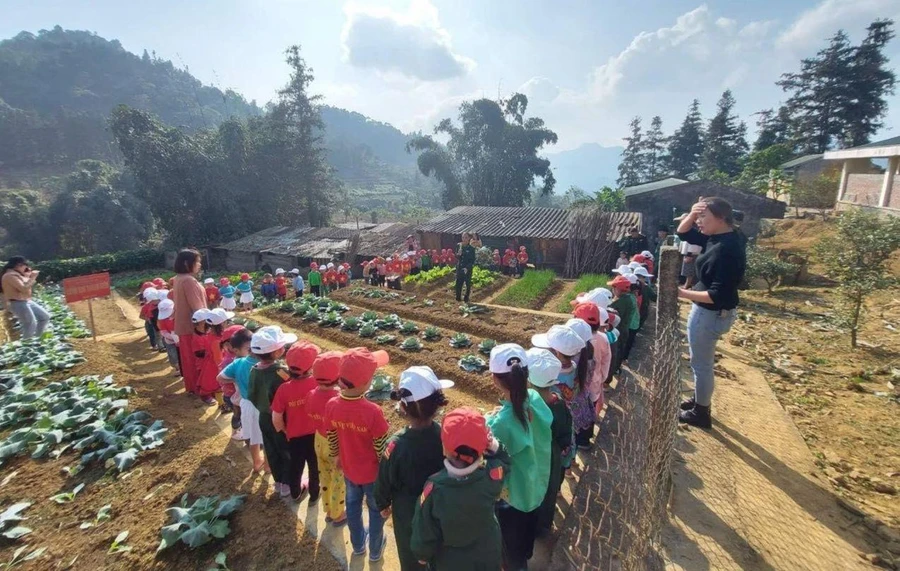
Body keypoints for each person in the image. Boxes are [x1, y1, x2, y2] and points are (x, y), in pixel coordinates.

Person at [410, 407, 510, 570]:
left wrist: (422, 555)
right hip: (488, 553)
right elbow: (505, 460)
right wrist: (493, 445)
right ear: (482, 448)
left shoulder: (434, 490)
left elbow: (424, 532)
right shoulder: (492, 476)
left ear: (445, 448)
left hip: (452, 561)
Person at [676, 197, 746, 429]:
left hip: (711, 313)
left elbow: (717, 294)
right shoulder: (720, 237)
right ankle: (699, 399)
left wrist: (682, 294)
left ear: (720, 218)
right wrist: (693, 213)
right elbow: (683, 232)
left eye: (703, 217)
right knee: (701, 363)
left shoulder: (727, 249)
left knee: (701, 365)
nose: (698, 223)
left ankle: (701, 412)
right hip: (711, 312)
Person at [375, 366, 454, 571]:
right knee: (438, 546)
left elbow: (384, 480)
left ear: (402, 406)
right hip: (439, 504)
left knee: (411, 553)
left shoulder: (396, 445)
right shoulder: (445, 436)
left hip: (407, 511)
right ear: (436, 406)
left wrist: (383, 503)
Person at [486, 343, 552, 570]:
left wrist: (489, 419)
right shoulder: (534, 397)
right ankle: (525, 556)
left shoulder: (501, 423)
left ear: (494, 379)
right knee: (526, 537)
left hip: (513, 497)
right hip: (536, 484)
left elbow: (491, 443)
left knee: (511, 550)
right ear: (526, 373)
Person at [325, 348, 391, 561]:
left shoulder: (332, 405)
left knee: (352, 506)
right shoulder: (372, 412)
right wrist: (386, 472)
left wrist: (336, 455)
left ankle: (358, 545)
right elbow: (381, 447)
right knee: (375, 510)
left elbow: (331, 434)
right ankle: (375, 549)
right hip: (372, 475)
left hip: (349, 470)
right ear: (365, 383)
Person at [246, 326, 298, 496]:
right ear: (277, 352)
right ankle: (290, 483)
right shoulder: (281, 372)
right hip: (280, 419)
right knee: (286, 450)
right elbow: (290, 390)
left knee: (271, 449)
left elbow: (251, 394)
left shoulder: (254, 370)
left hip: (263, 417)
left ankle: (279, 482)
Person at [526, 348, 572, 535]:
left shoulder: (527, 408)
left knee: (532, 490)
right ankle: (543, 527)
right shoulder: (559, 404)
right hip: (552, 456)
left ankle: (530, 527)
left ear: (528, 380)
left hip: (532, 456)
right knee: (549, 490)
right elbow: (565, 437)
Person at [531, 325, 592, 456]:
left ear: (557, 353)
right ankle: (572, 462)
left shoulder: (553, 376)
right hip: (574, 414)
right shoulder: (575, 365)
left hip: (562, 417)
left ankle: (569, 467)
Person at [271, 340, 321, 501]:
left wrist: (284, 430)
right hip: (316, 435)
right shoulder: (316, 384)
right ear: (311, 367)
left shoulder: (284, 389)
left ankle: (295, 493)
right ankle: (314, 494)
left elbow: (276, 417)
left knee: (296, 466)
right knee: (315, 466)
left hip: (294, 436)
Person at [306, 351, 347, 526]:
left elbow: (309, 414)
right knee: (339, 479)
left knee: (325, 476)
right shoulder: (338, 399)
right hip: (334, 445)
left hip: (318, 440)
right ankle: (338, 514)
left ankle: (329, 509)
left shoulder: (311, 394)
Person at [218, 330, 266, 471]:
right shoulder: (264, 363)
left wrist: (236, 379)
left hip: (247, 403)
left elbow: (220, 378)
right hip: (263, 405)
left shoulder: (238, 362)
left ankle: (256, 462)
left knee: (252, 436)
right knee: (267, 438)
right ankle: (268, 466)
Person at [172, 249, 208, 395]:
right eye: (197, 261)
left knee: (188, 360)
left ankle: (192, 387)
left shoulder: (178, 278)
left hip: (183, 326)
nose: (199, 264)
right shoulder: (188, 280)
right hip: (193, 328)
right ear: (187, 263)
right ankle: (200, 389)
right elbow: (198, 308)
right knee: (197, 360)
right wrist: (208, 324)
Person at [573, 302, 611, 420]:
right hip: (594, 385)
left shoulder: (575, 342)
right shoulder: (603, 338)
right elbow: (606, 361)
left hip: (576, 391)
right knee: (590, 412)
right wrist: (601, 379)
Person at [0, 257, 49, 339]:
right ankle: (27, 345)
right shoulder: (9, 276)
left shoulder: (17, 275)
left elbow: (26, 286)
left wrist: (28, 276)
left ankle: (37, 339)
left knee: (44, 317)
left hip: (26, 301)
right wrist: (33, 277)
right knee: (30, 324)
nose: (26, 269)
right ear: (18, 265)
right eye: (25, 266)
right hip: (18, 303)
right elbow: (23, 288)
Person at [197, 308, 233, 406]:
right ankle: (219, 403)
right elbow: (218, 359)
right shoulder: (216, 341)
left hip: (210, 362)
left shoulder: (210, 334)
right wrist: (222, 370)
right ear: (221, 324)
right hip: (215, 366)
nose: (228, 323)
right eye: (226, 322)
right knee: (216, 385)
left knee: (216, 385)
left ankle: (221, 403)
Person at [220, 326, 250, 440]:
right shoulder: (231, 361)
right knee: (240, 415)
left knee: (240, 414)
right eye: (247, 347)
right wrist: (236, 379)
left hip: (238, 394)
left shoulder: (238, 358)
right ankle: (240, 433)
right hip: (233, 394)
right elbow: (221, 378)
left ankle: (238, 431)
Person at [607, 275, 637, 379]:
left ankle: (612, 371)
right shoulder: (629, 298)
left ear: (618, 289)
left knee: (614, 353)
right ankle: (616, 369)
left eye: (613, 288)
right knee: (619, 351)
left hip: (618, 329)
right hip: (624, 329)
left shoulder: (620, 302)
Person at [156, 297, 181, 376]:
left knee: (182, 356)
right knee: (173, 355)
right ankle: (177, 367)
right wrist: (172, 337)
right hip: (169, 341)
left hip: (182, 340)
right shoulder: (162, 320)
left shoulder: (180, 316)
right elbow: (163, 331)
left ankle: (182, 369)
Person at [454, 232, 477, 303]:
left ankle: (466, 299)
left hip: (467, 269)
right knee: (458, 283)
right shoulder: (459, 246)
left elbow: (472, 260)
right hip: (460, 267)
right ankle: (458, 299)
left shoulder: (471, 249)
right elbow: (457, 257)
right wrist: (458, 254)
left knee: (467, 284)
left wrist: (467, 268)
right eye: (463, 237)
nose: (464, 239)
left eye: (466, 237)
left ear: (469, 238)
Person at [139, 286, 161, 351]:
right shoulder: (146, 306)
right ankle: (154, 345)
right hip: (151, 321)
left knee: (160, 334)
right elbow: (141, 316)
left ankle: (161, 346)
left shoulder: (160, 304)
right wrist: (147, 319)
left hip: (159, 321)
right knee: (152, 334)